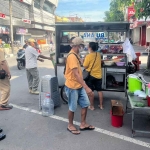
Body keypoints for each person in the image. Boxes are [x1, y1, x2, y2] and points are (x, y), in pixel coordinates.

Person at [64, 37, 95, 135]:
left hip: (79, 85)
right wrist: (86, 87)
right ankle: (70, 125)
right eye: (81, 46)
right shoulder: (71, 56)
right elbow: (76, 74)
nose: (83, 47)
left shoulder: (76, 55)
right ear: (77, 46)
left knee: (85, 104)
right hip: (72, 86)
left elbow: (80, 66)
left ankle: (83, 124)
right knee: (72, 107)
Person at [83, 42, 103, 110]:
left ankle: (92, 106)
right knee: (99, 90)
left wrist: (84, 59)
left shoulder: (89, 56)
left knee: (91, 91)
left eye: (88, 46)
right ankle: (101, 105)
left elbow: (85, 66)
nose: (88, 47)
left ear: (90, 48)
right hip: (99, 75)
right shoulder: (98, 54)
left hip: (91, 76)